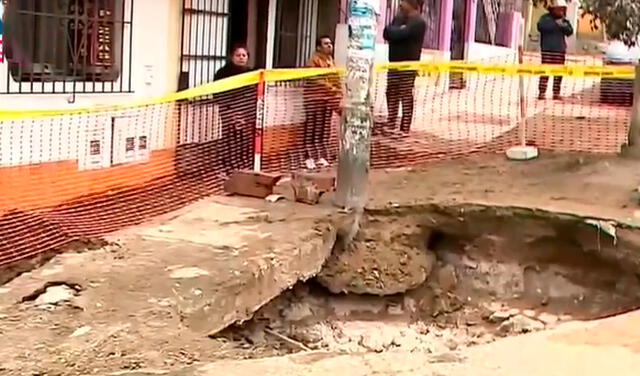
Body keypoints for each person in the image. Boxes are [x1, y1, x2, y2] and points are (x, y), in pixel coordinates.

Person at [382, 0, 426, 134]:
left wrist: (397, 32)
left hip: (408, 66)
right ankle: (391, 122)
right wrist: (397, 31)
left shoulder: (419, 22)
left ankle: (405, 127)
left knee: (405, 95)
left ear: (411, 5)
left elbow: (401, 34)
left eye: (404, 2)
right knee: (391, 92)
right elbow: (386, 32)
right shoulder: (399, 18)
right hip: (394, 64)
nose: (400, 5)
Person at [214, 45, 255, 174]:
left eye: (244, 55)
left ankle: (245, 166)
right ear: (232, 57)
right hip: (228, 111)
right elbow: (219, 93)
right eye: (238, 55)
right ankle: (228, 168)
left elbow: (252, 93)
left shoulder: (250, 73)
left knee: (245, 139)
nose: (241, 58)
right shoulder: (222, 73)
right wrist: (232, 112)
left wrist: (245, 113)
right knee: (230, 139)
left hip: (246, 112)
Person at [303, 35, 342, 170]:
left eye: (330, 43)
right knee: (311, 129)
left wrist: (339, 91)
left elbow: (336, 77)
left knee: (324, 129)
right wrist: (330, 87)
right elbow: (314, 78)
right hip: (313, 99)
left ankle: (321, 156)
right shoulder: (313, 60)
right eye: (326, 44)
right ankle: (308, 157)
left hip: (327, 99)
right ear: (319, 47)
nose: (329, 46)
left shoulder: (331, 61)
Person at [537, 0, 573, 100]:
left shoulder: (563, 20)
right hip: (547, 50)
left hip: (560, 50)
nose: (561, 11)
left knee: (559, 73)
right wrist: (556, 24)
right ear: (553, 9)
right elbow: (540, 27)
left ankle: (556, 93)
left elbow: (570, 31)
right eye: (559, 9)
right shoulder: (545, 19)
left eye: (562, 9)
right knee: (545, 71)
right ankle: (542, 92)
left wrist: (562, 25)